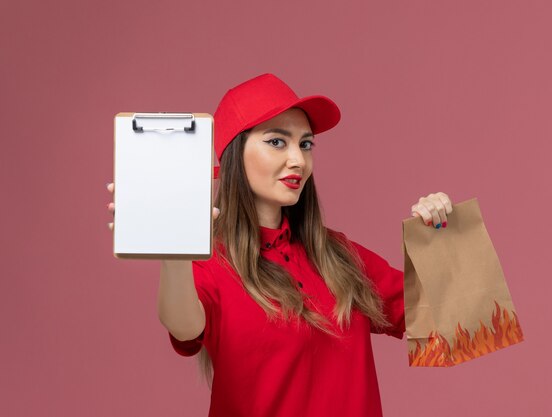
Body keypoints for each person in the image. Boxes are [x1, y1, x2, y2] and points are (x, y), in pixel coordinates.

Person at [106, 73, 453, 417]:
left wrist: (438, 237)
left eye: (305, 144)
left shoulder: (339, 255)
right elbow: (183, 327)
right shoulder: (211, 264)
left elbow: (446, 318)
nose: (298, 161)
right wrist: (175, 250)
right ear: (234, 154)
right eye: (277, 142)